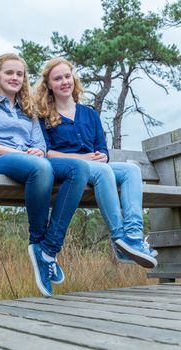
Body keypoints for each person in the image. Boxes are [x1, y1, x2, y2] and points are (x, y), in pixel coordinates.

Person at [0, 53, 90, 297]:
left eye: (20, 74)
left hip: (31, 164)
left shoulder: (28, 108)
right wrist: (19, 152)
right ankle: (38, 240)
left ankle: (48, 250)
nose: (15, 77)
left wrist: (37, 150)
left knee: (79, 169)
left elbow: (40, 145)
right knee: (41, 167)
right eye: (9, 73)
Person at [35, 57, 158, 269]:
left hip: (97, 167)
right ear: (48, 84)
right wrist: (85, 158)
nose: (64, 81)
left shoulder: (89, 113)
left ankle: (134, 237)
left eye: (67, 76)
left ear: (73, 79)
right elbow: (46, 153)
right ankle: (120, 240)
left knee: (131, 170)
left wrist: (102, 155)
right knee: (102, 171)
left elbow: (101, 147)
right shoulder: (44, 115)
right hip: (69, 170)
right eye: (57, 78)